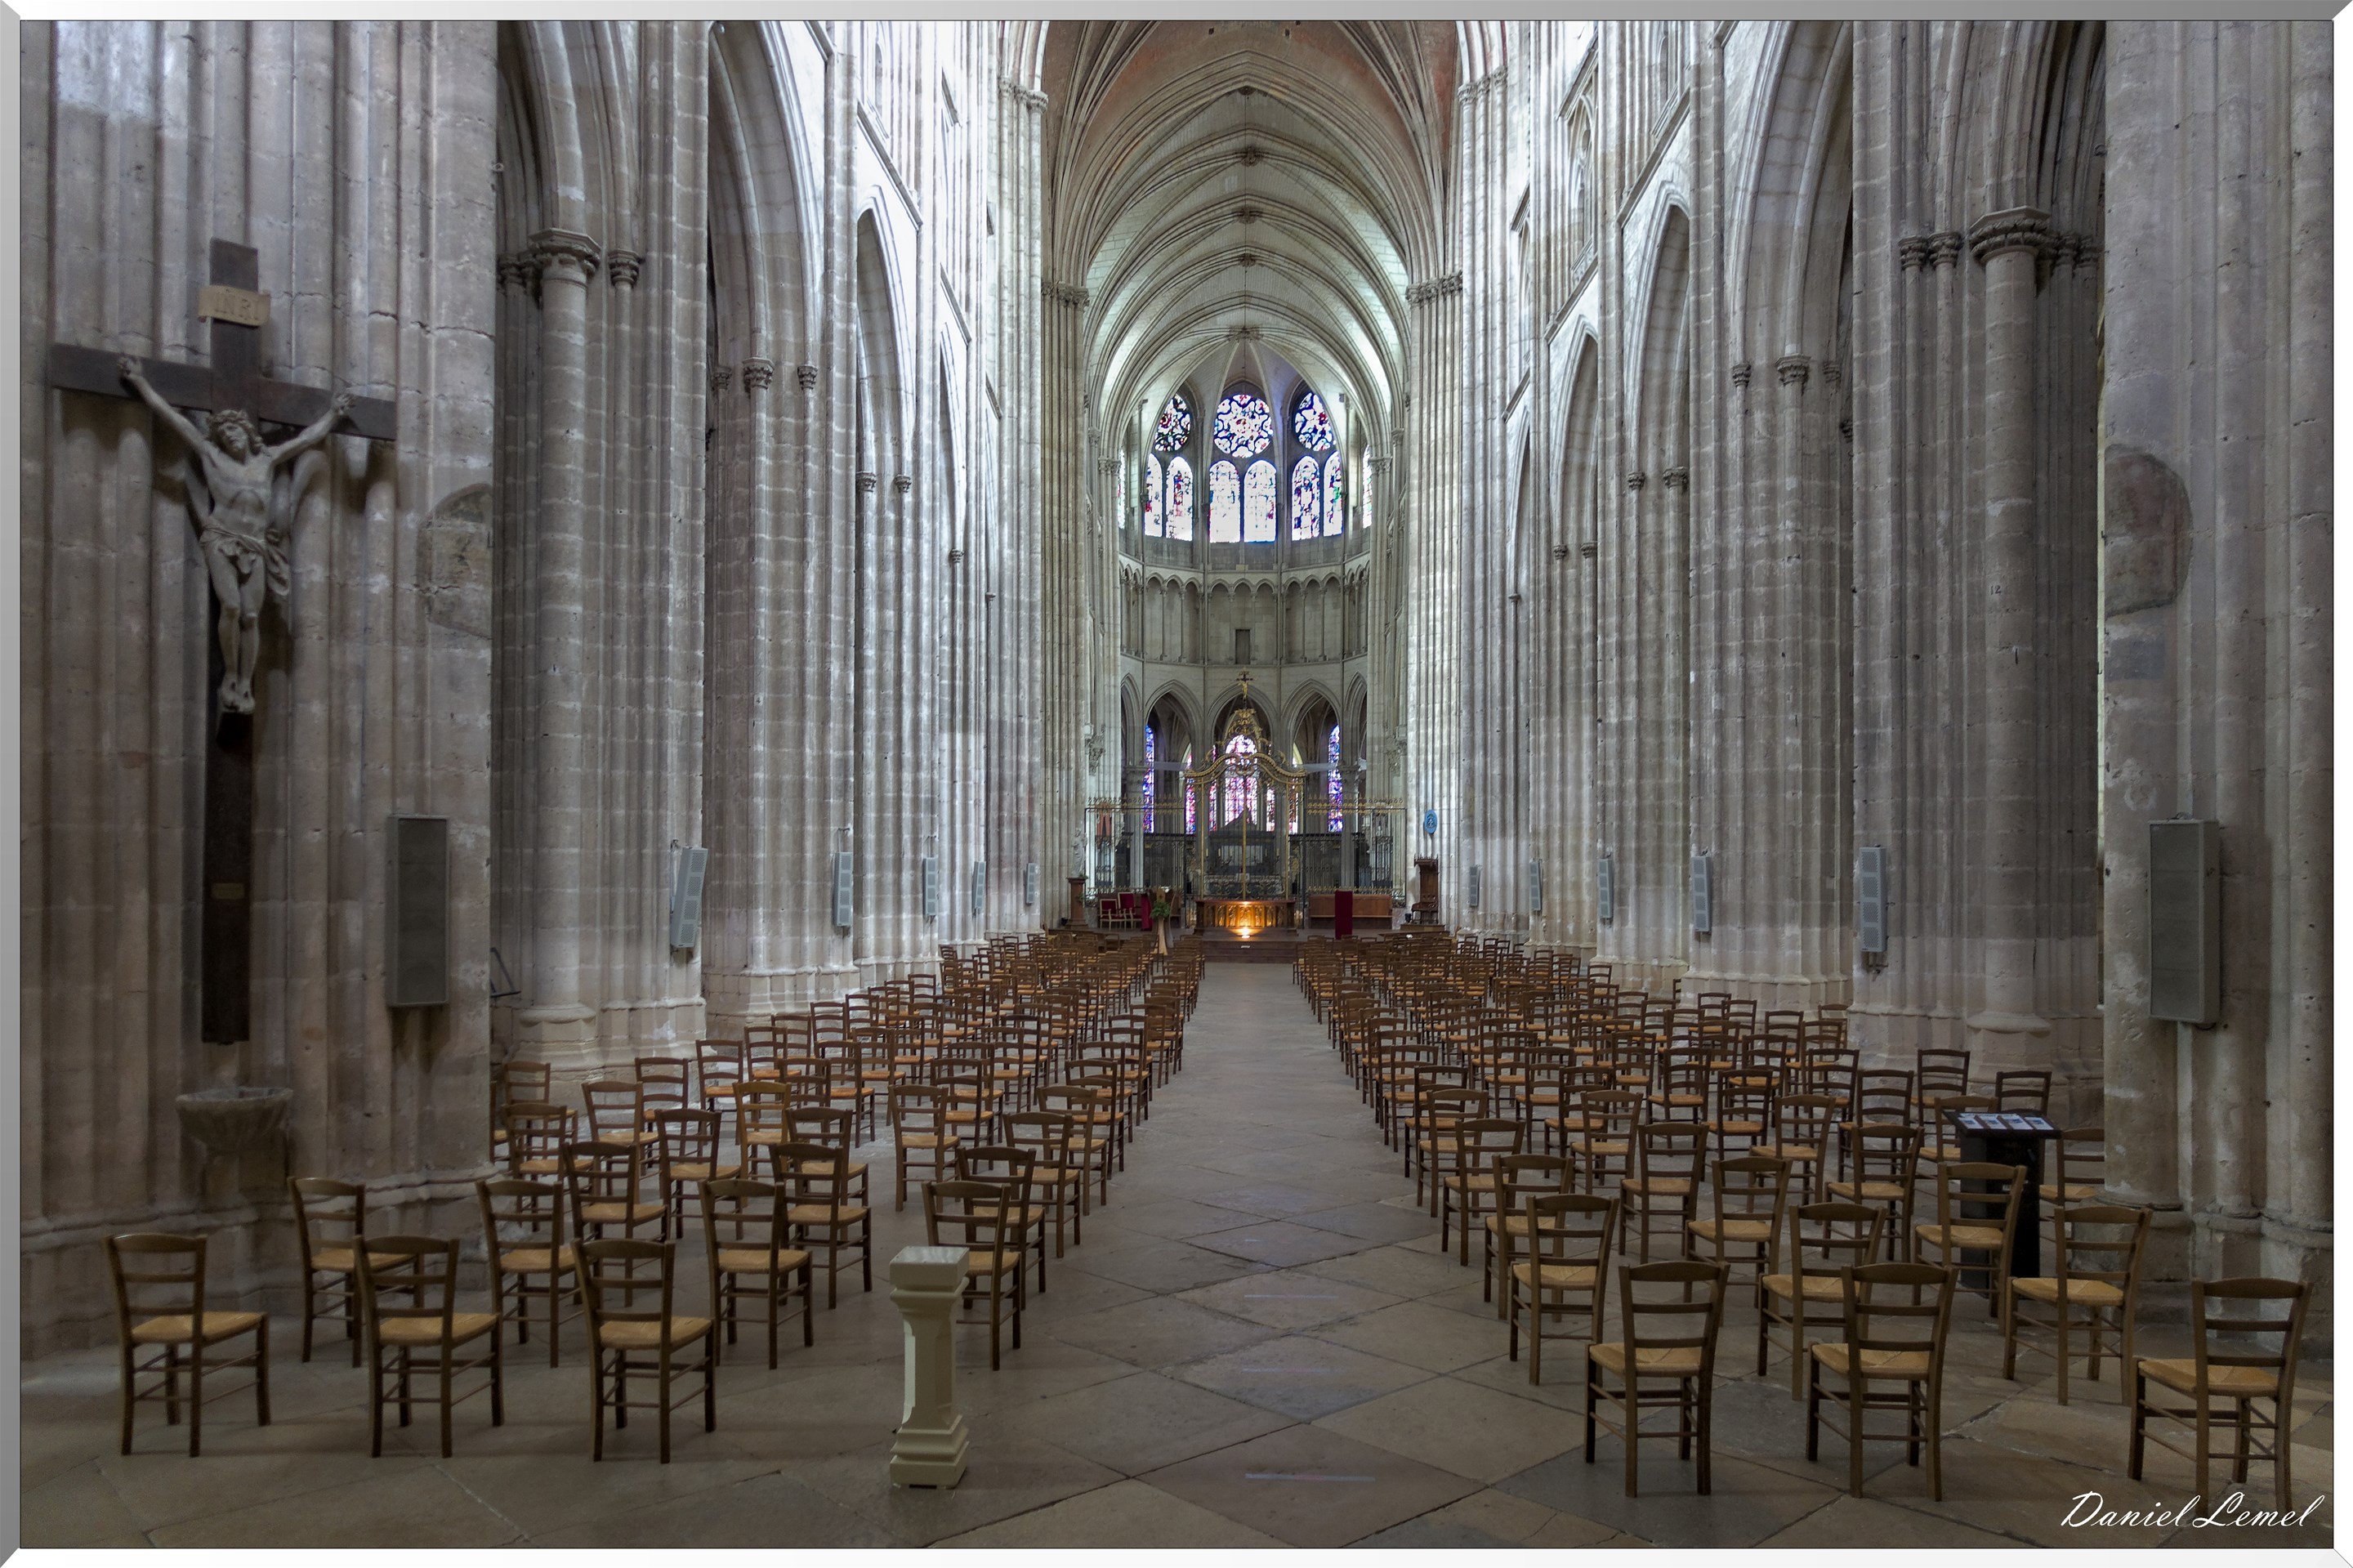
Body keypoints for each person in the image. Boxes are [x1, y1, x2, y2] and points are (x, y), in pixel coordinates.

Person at [119, 356, 353, 714]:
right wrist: (140, 383)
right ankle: (230, 674)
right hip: (221, 537)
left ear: (248, 434)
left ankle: (246, 683)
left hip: (255, 545)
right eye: (225, 434)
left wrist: (333, 415)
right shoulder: (212, 456)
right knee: (230, 606)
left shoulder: (267, 460)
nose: (231, 437)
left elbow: (308, 438)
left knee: (251, 616)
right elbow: (173, 419)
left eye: (236, 431)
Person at [1150, 884, 1176, 954]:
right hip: (1159, 917)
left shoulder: (1165, 903)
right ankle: (1157, 942)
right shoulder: (1156, 899)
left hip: (1164, 918)